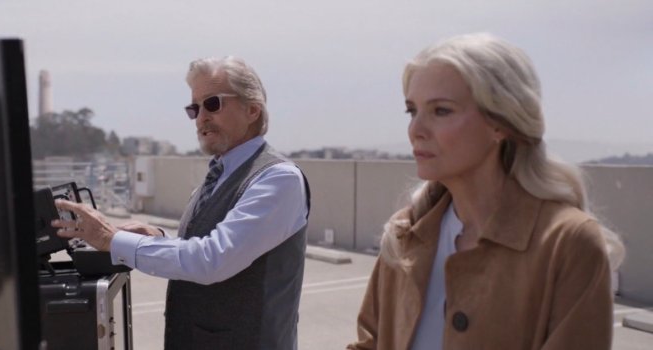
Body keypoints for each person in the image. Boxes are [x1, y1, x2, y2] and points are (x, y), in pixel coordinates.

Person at [347, 33, 625, 350]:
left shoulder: (568, 242)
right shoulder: (406, 233)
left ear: (500, 122)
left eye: (441, 111)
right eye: (412, 110)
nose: (416, 129)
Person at [53, 56, 310, 350]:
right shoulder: (220, 174)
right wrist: (158, 238)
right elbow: (205, 248)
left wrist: (112, 240)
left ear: (252, 109)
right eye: (194, 108)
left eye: (212, 103)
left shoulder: (277, 179)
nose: (201, 117)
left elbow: (213, 259)